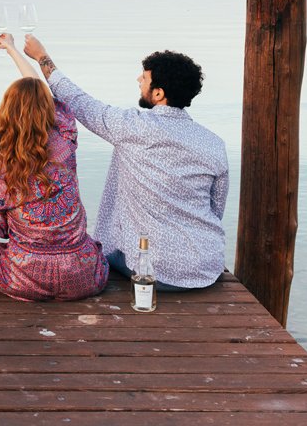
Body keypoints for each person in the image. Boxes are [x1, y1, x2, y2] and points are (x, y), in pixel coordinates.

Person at [23, 35, 229, 291]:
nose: (138, 80)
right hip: (205, 268)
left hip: (153, 271)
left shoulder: (132, 126)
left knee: (96, 249)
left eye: (143, 78)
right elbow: (215, 208)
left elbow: (77, 101)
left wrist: (42, 56)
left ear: (158, 93)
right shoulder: (214, 143)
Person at [0, 34, 108, 302]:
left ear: (5, 114)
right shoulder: (65, 142)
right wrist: (14, 50)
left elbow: (0, 230)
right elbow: (44, 93)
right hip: (82, 277)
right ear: (49, 112)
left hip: (21, 278)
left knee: (3, 250)